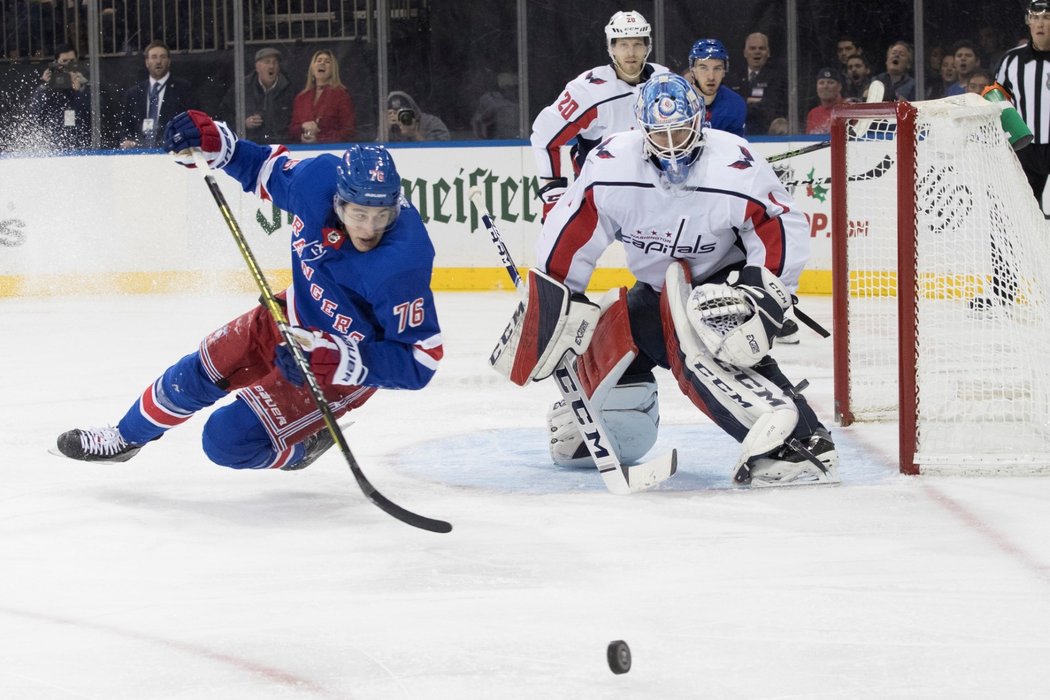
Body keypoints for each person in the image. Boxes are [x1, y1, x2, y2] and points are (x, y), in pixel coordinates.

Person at [493, 73, 838, 488]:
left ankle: (800, 443)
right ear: (641, 130)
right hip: (658, 290)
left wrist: (763, 294)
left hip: (721, 286)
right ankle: (606, 423)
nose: (672, 144)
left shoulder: (735, 164)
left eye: (681, 130)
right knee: (612, 327)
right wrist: (555, 298)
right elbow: (573, 232)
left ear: (700, 122)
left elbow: (779, 223)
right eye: (661, 134)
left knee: (703, 326)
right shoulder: (611, 165)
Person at [55, 111, 443, 469]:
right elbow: (261, 166)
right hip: (290, 316)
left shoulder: (402, 263)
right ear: (338, 200)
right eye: (359, 214)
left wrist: (334, 357)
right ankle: (124, 438)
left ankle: (300, 451)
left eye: (382, 216)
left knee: (226, 440)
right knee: (195, 372)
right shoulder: (316, 182)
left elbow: (421, 360)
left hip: (337, 362)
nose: (368, 229)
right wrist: (216, 144)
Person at [530, 10, 669, 221]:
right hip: (596, 196)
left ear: (647, 47)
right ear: (611, 47)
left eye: (637, 44)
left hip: (652, 195)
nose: (631, 52)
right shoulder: (588, 90)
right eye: (623, 44)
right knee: (566, 253)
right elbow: (544, 137)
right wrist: (553, 197)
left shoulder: (665, 82)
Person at [996, 1, 1050, 212]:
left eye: (1046, 17)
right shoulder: (1011, 60)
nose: (1040, 24)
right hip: (1025, 148)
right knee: (1023, 213)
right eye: (1035, 18)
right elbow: (996, 100)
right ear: (1028, 22)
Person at [118, 40, 195, 148]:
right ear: (147, 62)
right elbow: (125, 126)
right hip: (139, 155)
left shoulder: (183, 89)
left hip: (172, 152)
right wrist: (127, 140)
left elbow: (192, 122)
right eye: (154, 57)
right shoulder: (134, 93)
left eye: (163, 57)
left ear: (169, 61)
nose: (158, 61)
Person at [218, 46, 294, 144]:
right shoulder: (242, 87)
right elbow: (224, 113)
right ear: (257, 67)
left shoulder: (289, 88)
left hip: (282, 146)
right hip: (250, 145)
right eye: (267, 62)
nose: (271, 66)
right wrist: (243, 123)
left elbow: (294, 120)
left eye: (275, 62)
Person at [27, 43, 91, 150]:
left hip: (83, 146)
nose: (68, 65)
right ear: (56, 63)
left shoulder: (86, 82)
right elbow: (34, 115)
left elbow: (91, 115)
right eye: (64, 61)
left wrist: (80, 91)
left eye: (72, 61)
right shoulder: (47, 84)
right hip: (54, 146)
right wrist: (44, 88)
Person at [288, 49, 356, 143]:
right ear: (312, 69)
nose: (322, 63)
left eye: (327, 61)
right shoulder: (301, 98)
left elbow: (348, 131)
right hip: (303, 152)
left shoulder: (341, 95)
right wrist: (303, 126)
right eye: (318, 60)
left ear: (333, 70)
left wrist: (320, 139)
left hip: (331, 151)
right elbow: (292, 130)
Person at [726, 32, 787, 135]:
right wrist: (749, 101)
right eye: (752, 48)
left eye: (761, 48)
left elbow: (771, 107)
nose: (757, 52)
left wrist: (743, 102)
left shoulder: (778, 77)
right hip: (736, 133)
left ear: (768, 53)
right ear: (745, 53)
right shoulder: (733, 77)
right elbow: (729, 106)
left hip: (766, 134)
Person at [687, 38, 746, 136]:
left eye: (717, 68)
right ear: (693, 71)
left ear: (724, 71)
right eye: (703, 68)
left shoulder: (735, 104)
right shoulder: (678, 102)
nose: (711, 77)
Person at [386, 91, 451, 142]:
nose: (401, 117)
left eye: (404, 112)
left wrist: (414, 134)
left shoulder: (432, 123)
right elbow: (378, 153)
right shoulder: (389, 127)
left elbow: (441, 153)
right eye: (393, 113)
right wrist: (384, 131)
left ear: (415, 113)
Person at [471, 72, 520, 139]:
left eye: (516, 88)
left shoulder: (521, 103)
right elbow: (477, 121)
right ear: (505, 88)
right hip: (500, 144)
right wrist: (482, 140)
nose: (515, 91)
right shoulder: (493, 101)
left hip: (516, 141)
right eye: (512, 88)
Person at [805, 67, 844, 135]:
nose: (825, 86)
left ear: (839, 87)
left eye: (830, 82)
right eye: (821, 83)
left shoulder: (849, 109)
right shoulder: (813, 113)